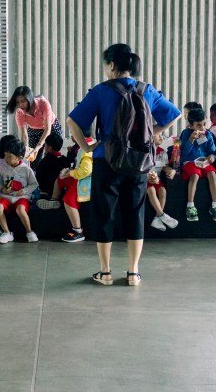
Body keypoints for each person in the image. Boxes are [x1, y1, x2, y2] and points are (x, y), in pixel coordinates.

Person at [65, 43, 181, 286]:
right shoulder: (146, 90)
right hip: (138, 162)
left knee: (104, 214)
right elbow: (174, 114)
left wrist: (87, 148)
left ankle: (105, 272)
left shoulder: (100, 91)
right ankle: (133, 273)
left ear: (111, 65)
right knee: (135, 213)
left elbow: (72, 121)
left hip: (106, 159)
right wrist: (152, 133)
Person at [37, 137, 94, 243]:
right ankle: (54, 200)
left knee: (68, 200)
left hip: (84, 182)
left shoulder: (86, 149)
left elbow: (86, 171)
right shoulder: (81, 146)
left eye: (74, 132)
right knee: (61, 178)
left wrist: (72, 173)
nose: (72, 136)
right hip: (78, 176)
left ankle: (77, 230)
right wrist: (70, 172)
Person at [179, 108, 216, 222]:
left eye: (204, 124)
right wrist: (191, 140)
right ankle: (190, 206)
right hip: (189, 162)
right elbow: (183, 152)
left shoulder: (208, 134)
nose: (202, 128)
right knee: (194, 176)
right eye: (198, 125)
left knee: (212, 174)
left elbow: (212, 150)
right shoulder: (185, 134)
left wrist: (212, 157)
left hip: (204, 161)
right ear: (191, 125)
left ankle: (215, 205)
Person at [5, 86, 63, 170]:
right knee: (31, 159)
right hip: (34, 129)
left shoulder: (43, 104)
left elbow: (47, 129)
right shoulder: (19, 112)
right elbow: (23, 136)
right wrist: (26, 151)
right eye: (18, 102)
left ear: (29, 98)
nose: (21, 105)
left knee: (51, 158)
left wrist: (38, 147)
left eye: (23, 101)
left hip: (51, 127)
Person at [0, 139, 39, 243]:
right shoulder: (2, 167)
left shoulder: (26, 169)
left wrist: (24, 191)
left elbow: (34, 184)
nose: (6, 158)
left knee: (20, 209)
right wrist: (2, 189)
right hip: (6, 197)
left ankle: (29, 231)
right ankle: (6, 232)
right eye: (5, 155)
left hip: (21, 198)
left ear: (19, 157)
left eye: (9, 157)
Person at [148, 132, 178, 231]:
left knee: (162, 190)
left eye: (162, 134)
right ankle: (162, 215)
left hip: (157, 180)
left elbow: (165, 166)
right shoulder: (146, 152)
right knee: (151, 190)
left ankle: (157, 218)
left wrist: (172, 170)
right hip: (145, 180)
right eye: (158, 134)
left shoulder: (162, 152)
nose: (161, 137)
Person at [35, 133, 69, 197]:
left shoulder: (44, 162)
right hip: (61, 191)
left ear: (49, 148)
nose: (44, 147)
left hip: (46, 191)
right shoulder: (65, 160)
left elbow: (38, 177)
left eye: (45, 145)